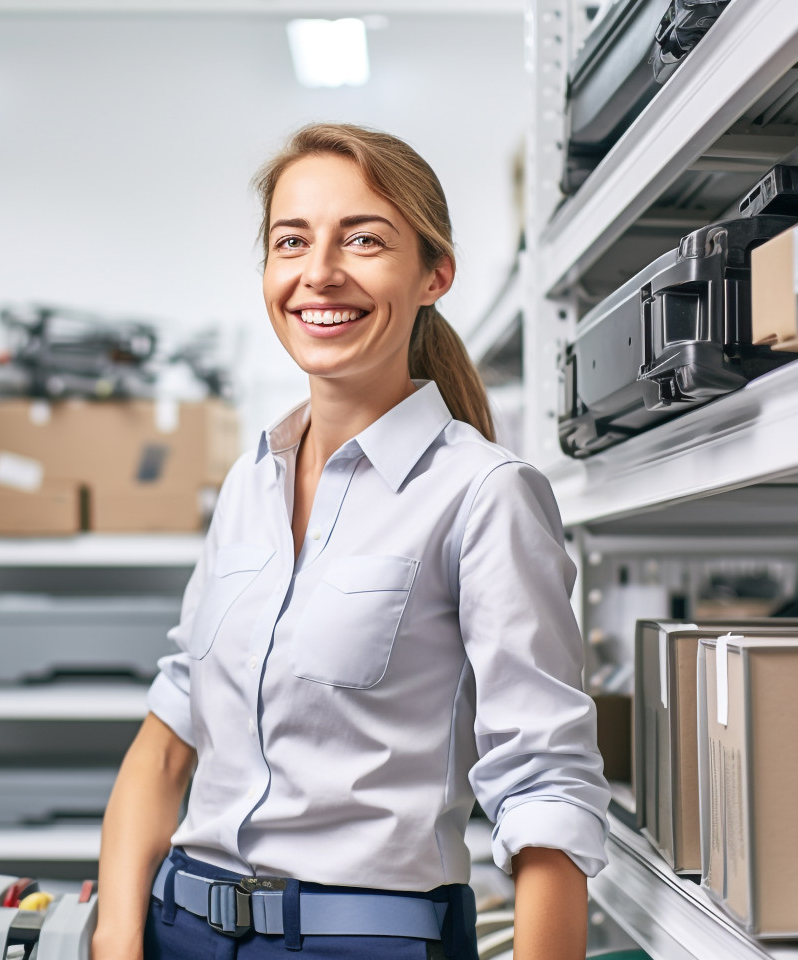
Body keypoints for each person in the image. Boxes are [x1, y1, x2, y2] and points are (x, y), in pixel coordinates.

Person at [91, 123, 610, 960]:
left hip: (365, 942)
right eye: (291, 241)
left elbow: (544, 785)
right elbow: (167, 737)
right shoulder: (249, 483)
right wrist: (116, 939)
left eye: (363, 240)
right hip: (177, 927)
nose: (318, 272)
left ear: (434, 274)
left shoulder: (484, 495)